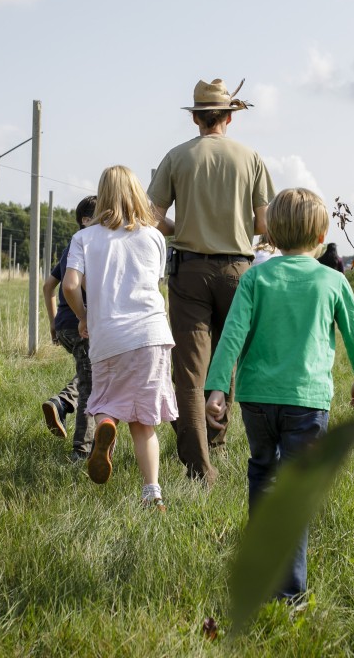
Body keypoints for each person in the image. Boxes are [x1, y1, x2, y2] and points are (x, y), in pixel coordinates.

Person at [205, 188, 354, 602]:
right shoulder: (332, 280)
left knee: (262, 473)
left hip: (257, 400)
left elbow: (232, 334)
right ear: (321, 238)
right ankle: (290, 592)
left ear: (273, 236)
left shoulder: (255, 277)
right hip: (307, 401)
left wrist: (216, 387)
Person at [147, 78, 274, 484]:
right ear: (229, 117)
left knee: (189, 368)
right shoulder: (250, 157)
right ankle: (215, 439)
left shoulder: (177, 157)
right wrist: (236, 236)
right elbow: (264, 224)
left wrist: (179, 227)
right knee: (227, 358)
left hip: (189, 269)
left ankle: (198, 464)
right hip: (237, 269)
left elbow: (152, 215)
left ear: (197, 117)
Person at [63, 166, 176, 509]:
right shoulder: (154, 236)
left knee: (103, 401)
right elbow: (155, 284)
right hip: (152, 333)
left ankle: (105, 428)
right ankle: (152, 492)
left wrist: (84, 317)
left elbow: (69, 285)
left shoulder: (84, 237)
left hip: (108, 333)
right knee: (144, 422)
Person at [41, 195, 98, 461]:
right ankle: (81, 451)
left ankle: (62, 402)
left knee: (92, 372)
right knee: (90, 384)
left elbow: (47, 287)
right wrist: (84, 315)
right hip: (82, 323)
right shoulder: (88, 246)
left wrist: (53, 323)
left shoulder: (69, 249)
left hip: (64, 325)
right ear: (85, 220)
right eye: (102, 216)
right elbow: (80, 285)